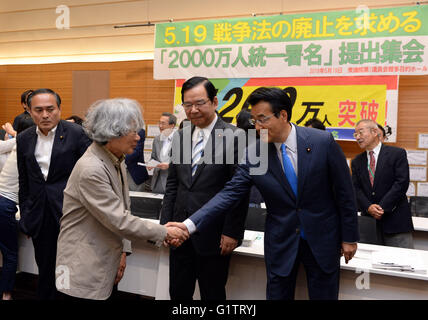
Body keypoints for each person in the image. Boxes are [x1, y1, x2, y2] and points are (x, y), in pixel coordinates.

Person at [168, 87, 359, 300]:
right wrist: (189, 224)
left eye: (263, 120)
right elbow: (230, 193)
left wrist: (349, 237)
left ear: (283, 115)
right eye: (254, 121)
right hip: (281, 241)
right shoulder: (256, 153)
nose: (257, 127)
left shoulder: (321, 142)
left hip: (322, 239)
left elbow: (345, 193)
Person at [55, 98, 188, 300]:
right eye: (132, 131)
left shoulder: (116, 160)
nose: (138, 137)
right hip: (81, 265)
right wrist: (165, 232)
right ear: (111, 132)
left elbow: (123, 209)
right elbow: (119, 219)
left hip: (103, 259)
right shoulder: (92, 169)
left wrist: (123, 252)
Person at [160, 76, 249, 300]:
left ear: (215, 102)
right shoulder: (180, 136)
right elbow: (173, 184)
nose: (193, 110)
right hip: (178, 232)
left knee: (213, 293)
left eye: (199, 103)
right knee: (178, 293)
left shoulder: (235, 136)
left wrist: (232, 232)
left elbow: (239, 189)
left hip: (214, 233)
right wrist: (164, 226)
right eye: (187, 105)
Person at [16, 88, 92, 299]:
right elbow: (25, 180)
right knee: (45, 266)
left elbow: (90, 177)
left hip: (69, 214)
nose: (45, 115)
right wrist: (26, 215)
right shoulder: (24, 138)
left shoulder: (77, 134)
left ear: (59, 109)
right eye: (38, 110)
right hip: (40, 215)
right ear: (29, 112)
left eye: (50, 109)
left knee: (66, 268)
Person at [351, 119, 414, 248]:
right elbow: (355, 188)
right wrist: (368, 207)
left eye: (361, 133)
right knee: (370, 264)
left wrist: (381, 207)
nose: (358, 137)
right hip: (369, 223)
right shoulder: (357, 161)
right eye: (355, 134)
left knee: (401, 263)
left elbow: (401, 183)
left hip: (395, 221)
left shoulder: (397, 154)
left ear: (374, 132)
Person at [0, 116, 35, 300]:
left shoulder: (17, 145)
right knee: (10, 254)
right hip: (5, 204)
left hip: (3, 201)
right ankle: (6, 295)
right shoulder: (27, 148)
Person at [148, 112, 177, 194]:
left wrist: (169, 165)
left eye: (163, 123)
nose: (160, 126)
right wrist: (150, 163)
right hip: (156, 180)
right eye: (159, 123)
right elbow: (153, 157)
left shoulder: (180, 140)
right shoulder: (157, 139)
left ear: (172, 125)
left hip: (172, 182)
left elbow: (183, 161)